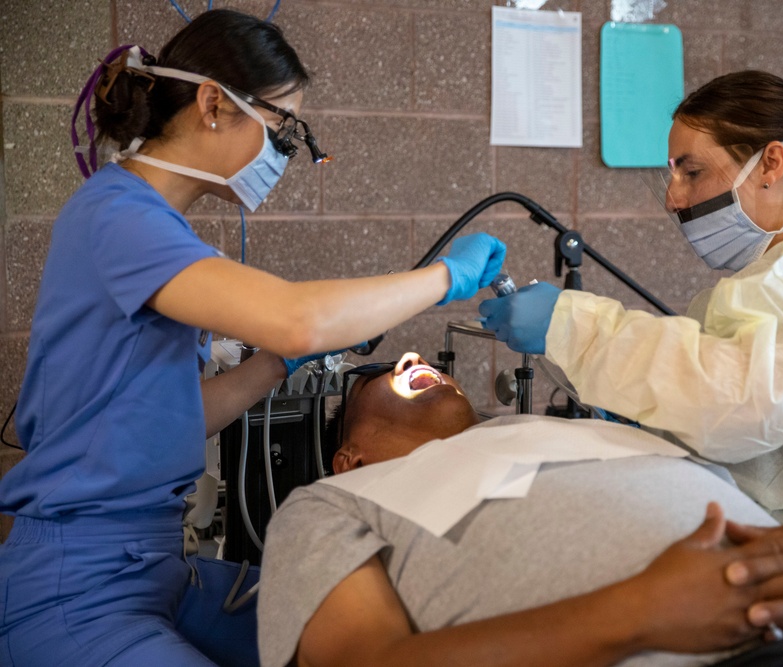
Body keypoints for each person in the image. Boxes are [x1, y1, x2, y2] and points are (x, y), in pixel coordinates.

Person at [0, 10, 504, 666]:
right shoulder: (117, 217)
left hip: (154, 563)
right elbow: (297, 313)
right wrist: (444, 277)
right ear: (213, 102)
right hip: (81, 584)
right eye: (280, 129)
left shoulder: (156, 228)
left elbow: (169, 413)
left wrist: (276, 363)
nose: (284, 154)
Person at [478, 70, 783, 664]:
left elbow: (740, 402)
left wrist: (570, 326)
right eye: (672, 174)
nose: (672, 197)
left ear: (770, 164)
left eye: (691, 171)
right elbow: (724, 383)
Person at [254, 351, 783, 667]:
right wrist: (642, 610)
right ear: (351, 455)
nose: (410, 354)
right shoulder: (331, 501)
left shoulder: (590, 430)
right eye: (388, 374)